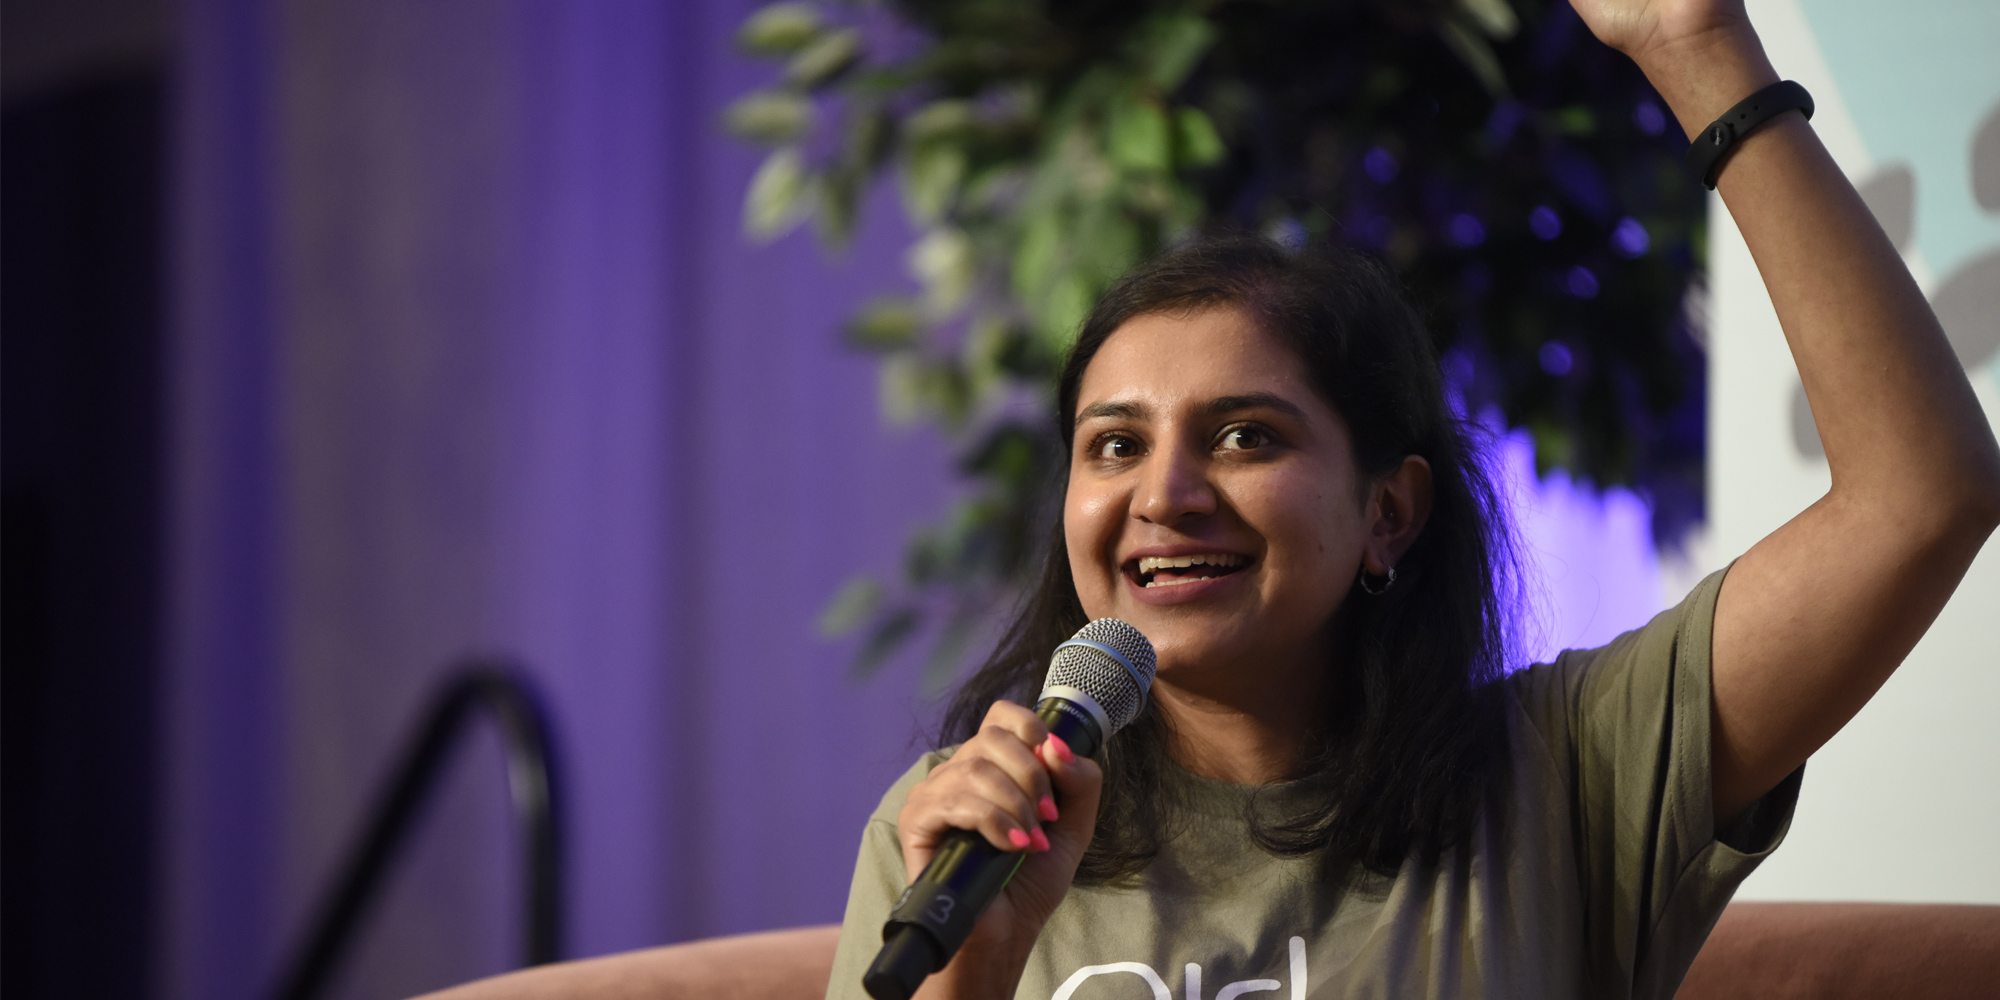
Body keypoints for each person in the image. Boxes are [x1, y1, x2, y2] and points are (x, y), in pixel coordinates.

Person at [819, 1, 2000, 998]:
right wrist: (976, 966)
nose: (1163, 494)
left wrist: (1697, 50)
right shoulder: (962, 827)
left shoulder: (1569, 769)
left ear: (1388, 510)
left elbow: (1921, 492)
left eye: (1243, 435)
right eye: (1113, 445)